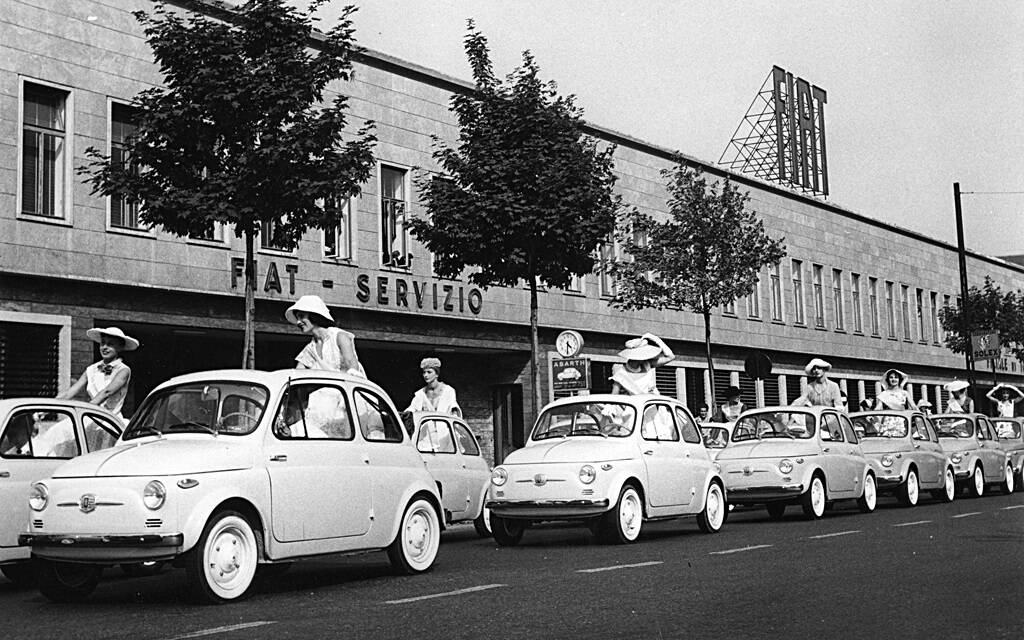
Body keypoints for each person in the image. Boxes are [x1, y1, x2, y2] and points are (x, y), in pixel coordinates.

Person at [57, 326, 138, 423]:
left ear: (120, 347)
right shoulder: (91, 369)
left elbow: (106, 392)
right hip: (91, 416)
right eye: (103, 343)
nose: (105, 347)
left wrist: (84, 411)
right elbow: (70, 392)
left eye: (110, 344)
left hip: (110, 420)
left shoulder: (123, 370)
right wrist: (47, 407)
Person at [286, 295, 364, 376]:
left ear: (314, 315)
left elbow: (354, 371)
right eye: (297, 318)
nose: (298, 322)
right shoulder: (310, 349)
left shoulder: (339, 337)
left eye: (301, 316)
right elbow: (297, 375)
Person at [610, 333, 674, 395]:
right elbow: (614, 396)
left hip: (653, 402)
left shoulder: (647, 364)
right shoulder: (621, 375)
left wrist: (656, 339)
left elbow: (671, 357)